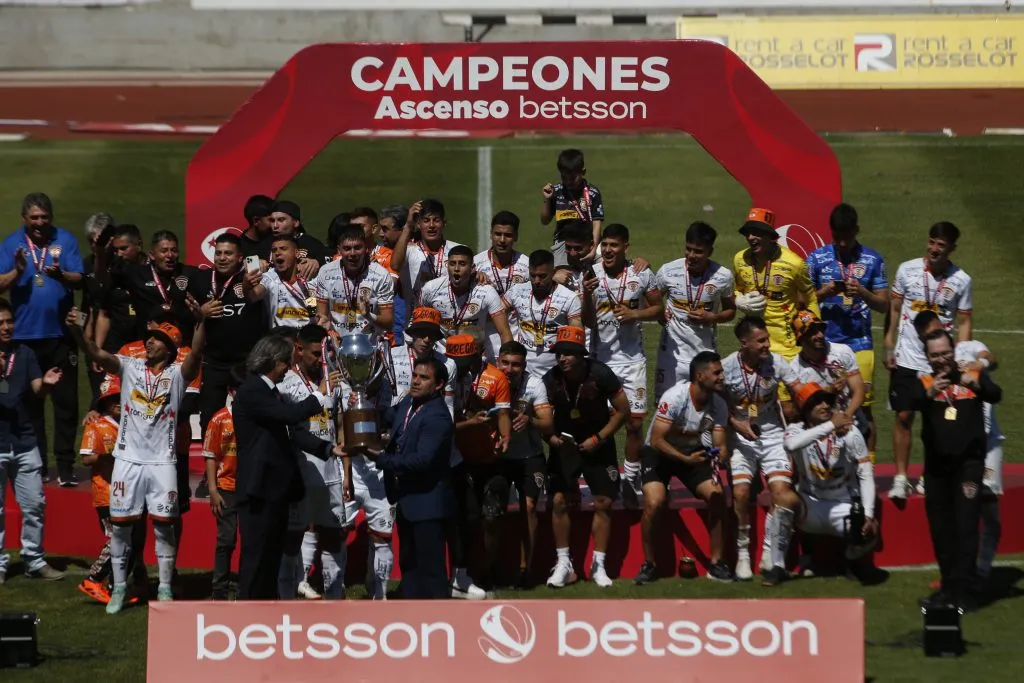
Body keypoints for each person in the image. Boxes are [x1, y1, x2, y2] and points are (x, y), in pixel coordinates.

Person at [67, 302, 207, 614]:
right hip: (127, 462)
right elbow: (96, 353)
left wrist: (201, 322)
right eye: (149, 338)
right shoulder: (129, 366)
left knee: (164, 528)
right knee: (120, 528)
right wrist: (77, 331)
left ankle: (165, 587)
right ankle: (118, 588)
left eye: (157, 339)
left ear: (169, 348)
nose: (149, 341)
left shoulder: (177, 375)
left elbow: (197, 353)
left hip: (162, 464)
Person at [232, 334, 336, 600]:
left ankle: (266, 610)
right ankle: (248, 611)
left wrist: (328, 449)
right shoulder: (253, 390)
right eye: (285, 363)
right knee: (256, 558)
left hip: (274, 489)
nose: (288, 369)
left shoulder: (270, 392)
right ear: (272, 361)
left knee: (271, 557)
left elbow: (291, 431)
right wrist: (319, 395)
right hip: (258, 489)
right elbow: (288, 416)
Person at [369, 307, 456, 599]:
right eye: (415, 376)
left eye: (424, 378)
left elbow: (422, 460)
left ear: (439, 385)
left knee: (430, 572)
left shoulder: (438, 417)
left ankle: (439, 621)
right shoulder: (410, 403)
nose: (416, 381)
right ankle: (411, 614)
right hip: (407, 501)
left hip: (428, 504)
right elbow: (388, 415)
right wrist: (363, 401)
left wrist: (382, 459)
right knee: (410, 567)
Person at [911, 330, 1000, 611]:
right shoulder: (925, 380)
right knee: (941, 529)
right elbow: (906, 403)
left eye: (945, 353)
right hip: (936, 469)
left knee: (965, 527)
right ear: (927, 357)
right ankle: (948, 589)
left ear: (954, 351)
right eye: (935, 355)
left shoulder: (970, 374)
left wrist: (976, 385)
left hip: (968, 467)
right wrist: (929, 394)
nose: (941, 359)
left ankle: (966, 592)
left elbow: (996, 394)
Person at [0, 192, 85, 485]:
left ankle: (65, 466)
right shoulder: (12, 243)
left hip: (61, 335)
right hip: (25, 337)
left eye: (44, 217)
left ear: (51, 218)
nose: (39, 223)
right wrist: (18, 271)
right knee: (29, 404)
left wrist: (61, 275)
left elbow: (79, 278)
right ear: (24, 218)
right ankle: (37, 464)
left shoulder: (65, 240)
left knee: (66, 403)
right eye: (34, 218)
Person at [884, 221, 972, 501]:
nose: (934, 249)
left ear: (952, 248)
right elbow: (894, 309)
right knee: (904, 416)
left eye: (941, 245)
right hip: (907, 358)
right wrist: (888, 344)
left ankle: (929, 476)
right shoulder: (907, 269)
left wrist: (961, 357)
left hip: (939, 363)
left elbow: (964, 322)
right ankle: (900, 478)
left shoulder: (961, 280)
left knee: (937, 421)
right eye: (931, 242)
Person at [580, 223, 662, 508]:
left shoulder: (641, 273)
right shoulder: (592, 274)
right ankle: (604, 476)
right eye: (604, 244)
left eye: (614, 245)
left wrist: (635, 314)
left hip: (632, 361)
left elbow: (659, 308)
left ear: (626, 247)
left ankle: (631, 478)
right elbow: (587, 321)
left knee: (635, 423)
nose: (608, 250)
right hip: (600, 361)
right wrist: (586, 295)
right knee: (600, 424)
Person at [635, 351, 735, 584]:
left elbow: (720, 443)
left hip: (692, 453)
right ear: (700, 376)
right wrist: (684, 459)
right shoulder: (675, 397)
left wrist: (721, 453)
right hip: (659, 454)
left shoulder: (718, 404)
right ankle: (649, 564)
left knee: (717, 496)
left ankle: (717, 563)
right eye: (717, 373)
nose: (722, 377)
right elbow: (657, 440)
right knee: (654, 502)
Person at [543, 326, 630, 588]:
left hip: (598, 443)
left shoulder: (601, 374)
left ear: (582, 354)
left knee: (604, 501)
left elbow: (623, 410)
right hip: (566, 445)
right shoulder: (550, 379)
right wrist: (551, 438)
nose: (562, 359)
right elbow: (540, 416)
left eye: (568, 353)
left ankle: (598, 564)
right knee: (559, 500)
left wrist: (599, 438)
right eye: (559, 353)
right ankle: (563, 563)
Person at [721, 316, 801, 584]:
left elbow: (799, 389)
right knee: (741, 493)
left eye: (767, 339)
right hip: (740, 438)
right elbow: (715, 402)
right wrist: (735, 423)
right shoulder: (727, 367)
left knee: (781, 492)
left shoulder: (776, 363)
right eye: (761, 341)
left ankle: (769, 550)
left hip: (772, 434)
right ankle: (743, 554)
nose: (767, 345)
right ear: (744, 343)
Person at [806, 203, 888, 461]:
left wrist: (863, 293)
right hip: (823, 344)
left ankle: (867, 467)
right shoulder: (816, 259)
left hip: (859, 343)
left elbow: (884, 305)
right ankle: (823, 463)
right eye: (837, 237)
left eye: (847, 236)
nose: (842, 243)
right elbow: (802, 301)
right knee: (821, 405)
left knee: (863, 408)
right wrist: (823, 293)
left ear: (857, 230)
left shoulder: (873, 260)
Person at [782, 383, 879, 583]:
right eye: (818, 402)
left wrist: (869, 514)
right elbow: (791, 445)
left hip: (843, 504)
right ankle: (784, 563)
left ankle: (852, 560)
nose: (825, 406)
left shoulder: (849, 431)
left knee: (871, 529)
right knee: (782, 502)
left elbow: (865, 474)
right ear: (805, 409)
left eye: (827, 401)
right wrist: (831, 425)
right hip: (811, 502)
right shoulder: (795, 430)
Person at [277, 324, 348, 600]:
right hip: (302, 472)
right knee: (292, 539)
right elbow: (289, 426)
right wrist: (318, 391)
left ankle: (334, 599)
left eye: (324, 353)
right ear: (299, 349)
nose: (321, 360)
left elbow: (339, 424)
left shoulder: (334, 378)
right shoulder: (286, 382)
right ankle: (285, 601)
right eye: (315, 354)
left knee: (333, 535)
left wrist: (346, 473)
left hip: (331, 473)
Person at [0, 298, 66, 584]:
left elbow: (36, 389)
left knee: (35, 505)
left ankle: (34, 561)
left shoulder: (24, 353)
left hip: (24, 441)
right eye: (1, 323)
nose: (6, 327)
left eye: (9, 321)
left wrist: (46, 384)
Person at [448, 331, 511, 594]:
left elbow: (504, 411)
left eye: (467, 359)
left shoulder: (496, 377)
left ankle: (487, 572)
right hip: (459, 458)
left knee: (490, 517)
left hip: (488, 456)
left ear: (480, 353)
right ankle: (462, 573)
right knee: (464, 518)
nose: (461, 366)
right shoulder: (449, 375)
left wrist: (506, 435)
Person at [189, 232, 267, 434]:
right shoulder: (200, 279)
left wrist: (254, 278)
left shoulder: (251, 277)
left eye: (228, 254)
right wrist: (201, 313)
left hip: (247, 363)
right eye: (218, 253)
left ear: (240, 257)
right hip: (213, 363)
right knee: (208, 420)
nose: (222, 258)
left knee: (249, 418)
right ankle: (210, 455)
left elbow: (260, 293)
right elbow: (188, 316)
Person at [654, 221, 736, 402]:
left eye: (698, 251)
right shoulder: (668, 271)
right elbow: (651, 298)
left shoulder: (723, 276)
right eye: (688, 249)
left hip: (704, 355)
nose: (691, 256)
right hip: (671, 356)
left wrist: (712, 317)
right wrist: (660, 314)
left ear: (710, 252)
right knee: (666, 408)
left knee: (705, 410)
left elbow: (731, 310)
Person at [495, 340, 553, 588]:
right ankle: (493, 567)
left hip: (529, 455)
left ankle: (524, 569)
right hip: (498, 456)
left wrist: (530, 420)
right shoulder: (489, 380)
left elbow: (548, 423)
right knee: (492, 511)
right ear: (498, 361)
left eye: (516, 365)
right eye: (505, 363)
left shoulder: (534, 384)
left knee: (528, 507)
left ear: (524, 365)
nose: (509, 369)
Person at [733, 207, 819, 360]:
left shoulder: (795, 264)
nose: (750, 237)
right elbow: (737, 289)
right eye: (748, 233)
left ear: (770, 236)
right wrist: (738, 299)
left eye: (756, 232)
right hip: (753, 346)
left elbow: (810, 300)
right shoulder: (740, 259)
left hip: (787, 349)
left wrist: (812, 332)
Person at [419, 245, 512, 361]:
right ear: (447, 265)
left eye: (462, 264)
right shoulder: (431, 289)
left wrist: (507, 361)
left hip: (473, 357)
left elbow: (504, 332)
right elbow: (420, 324)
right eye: (452, 264)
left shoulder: (487, 292)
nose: (456, 268)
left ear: (472, 268)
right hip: (441, 356)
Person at [77, 375, 123, 603]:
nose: (118, 402)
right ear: (104, 402)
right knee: (116, 539)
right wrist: (106, 456)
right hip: (105, 492)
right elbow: (85, 458)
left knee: (127, 539)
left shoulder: (129, 423)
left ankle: (115, 588)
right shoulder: (96, 425)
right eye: (113, 399)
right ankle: (93, 579)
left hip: (126, 491)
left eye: (120, 397)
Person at [502, 249, 583, 379]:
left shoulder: (569, 298)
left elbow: (576, 336)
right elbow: (495, 313)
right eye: (533, 275)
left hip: (554, 370)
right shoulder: (517, 291)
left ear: (553, 272)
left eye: (542, 276)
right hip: (523, 368)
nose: (536, 281)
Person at [313, 225, 394, 342]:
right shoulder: (326, 272)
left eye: (357, 247)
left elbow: (389, 323)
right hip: (338, 342)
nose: (352, 253)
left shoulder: (381, 275)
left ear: (366, 248)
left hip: (370, 344)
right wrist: (327, 329)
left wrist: (368, 315)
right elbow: (322, 315)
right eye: (347, 248)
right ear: (339, 250)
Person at [94, 224, 147, 399]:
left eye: (124, 248)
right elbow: (104, 314)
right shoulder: (113, 273)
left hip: (144, 347)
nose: (119, 254)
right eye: (116, 250)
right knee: (109, 398)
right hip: (116, 347)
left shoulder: (153, 271)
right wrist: (98, 350)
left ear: (139, 245)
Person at [788, 310, 865, 429]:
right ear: (801, 338)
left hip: (851, 420)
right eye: (813, 332)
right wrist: (829, 391)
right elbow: (802, 408)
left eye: (821, 329)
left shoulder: (842, 351)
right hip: (820, 430)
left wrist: (846, 416)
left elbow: (859, 389)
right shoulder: (794, 370)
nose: (820, 335)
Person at [203, 366, 242, 600]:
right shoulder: (219, 419)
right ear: (230, 391)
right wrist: (212, 489)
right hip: (226, 487)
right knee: (226, 540)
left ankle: (247, 590)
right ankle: (219, 591)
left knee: (252, 541)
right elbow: (210, 455)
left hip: (250, 488)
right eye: (238, 389)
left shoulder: (255, 416)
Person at [393, 199, 465, 308]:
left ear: (444, 223)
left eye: (436, 220)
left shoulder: (458, 251)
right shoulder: (408, 251)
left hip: (448, 318)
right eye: (426, 220)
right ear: (418, 224)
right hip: (415, 317)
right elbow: (395, 265)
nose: (431, 225)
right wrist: (408, 225)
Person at [475, 211, 530, 352]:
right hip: (485, 341)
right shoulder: (476, 264)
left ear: (516, 236)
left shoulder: (527, 265)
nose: (502, 240)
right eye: (498, 234)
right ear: (491, 234)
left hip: (518, 339)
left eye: (508, 235)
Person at [540, 148, 605, 266]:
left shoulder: (592, 193)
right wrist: (547, 199)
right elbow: (545, 220)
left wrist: (594, 248)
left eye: (573, 178)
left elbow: (597, 222)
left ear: (583, 172)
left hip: (589, 240)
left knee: (603, 265)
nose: (569, 181)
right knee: (561, 272)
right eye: (564, 177)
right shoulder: (556, 191)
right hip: (563, 242)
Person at [244, 233, 316, 329]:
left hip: (308, 335)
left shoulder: (309, 275)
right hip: (281, 336)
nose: (277, 253)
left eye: (283, 249)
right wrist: (246, 285)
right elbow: (253, 296)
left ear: (296, 253)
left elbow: (317, 311)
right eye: (274, 250)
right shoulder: (269, 277)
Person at [379, 204, 414, 337]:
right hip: (384, 329)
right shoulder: (377, 252)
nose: (380, 234)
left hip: (409, 327)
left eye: (385, 229)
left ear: (403, 229)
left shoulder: (418, 252)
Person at [269, 200, 329, 277]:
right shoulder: (264, 244)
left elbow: (332, 257)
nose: (275, 225)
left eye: (281, 220)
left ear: (296, 222)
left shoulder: (311, 244)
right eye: (272, 220)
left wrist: (318, 262)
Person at [239, 194, 275, 260]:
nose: (275, 225)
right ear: (256, 221)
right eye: (271, 220)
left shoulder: (277, 240)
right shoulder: (239, 248)